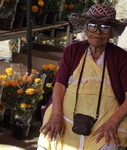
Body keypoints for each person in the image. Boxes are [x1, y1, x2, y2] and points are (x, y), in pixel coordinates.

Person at [37, 4, 127, 150]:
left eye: (105, 27)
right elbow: (60, 84)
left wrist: (113, 123)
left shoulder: (121, 57)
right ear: (85, 29)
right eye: (92, 26)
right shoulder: (72, 50)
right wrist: (56, 116)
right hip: (65, 116)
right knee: (49, 139)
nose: (97, 32)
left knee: (107, 144)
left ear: (112, 33)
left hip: (105, 120)